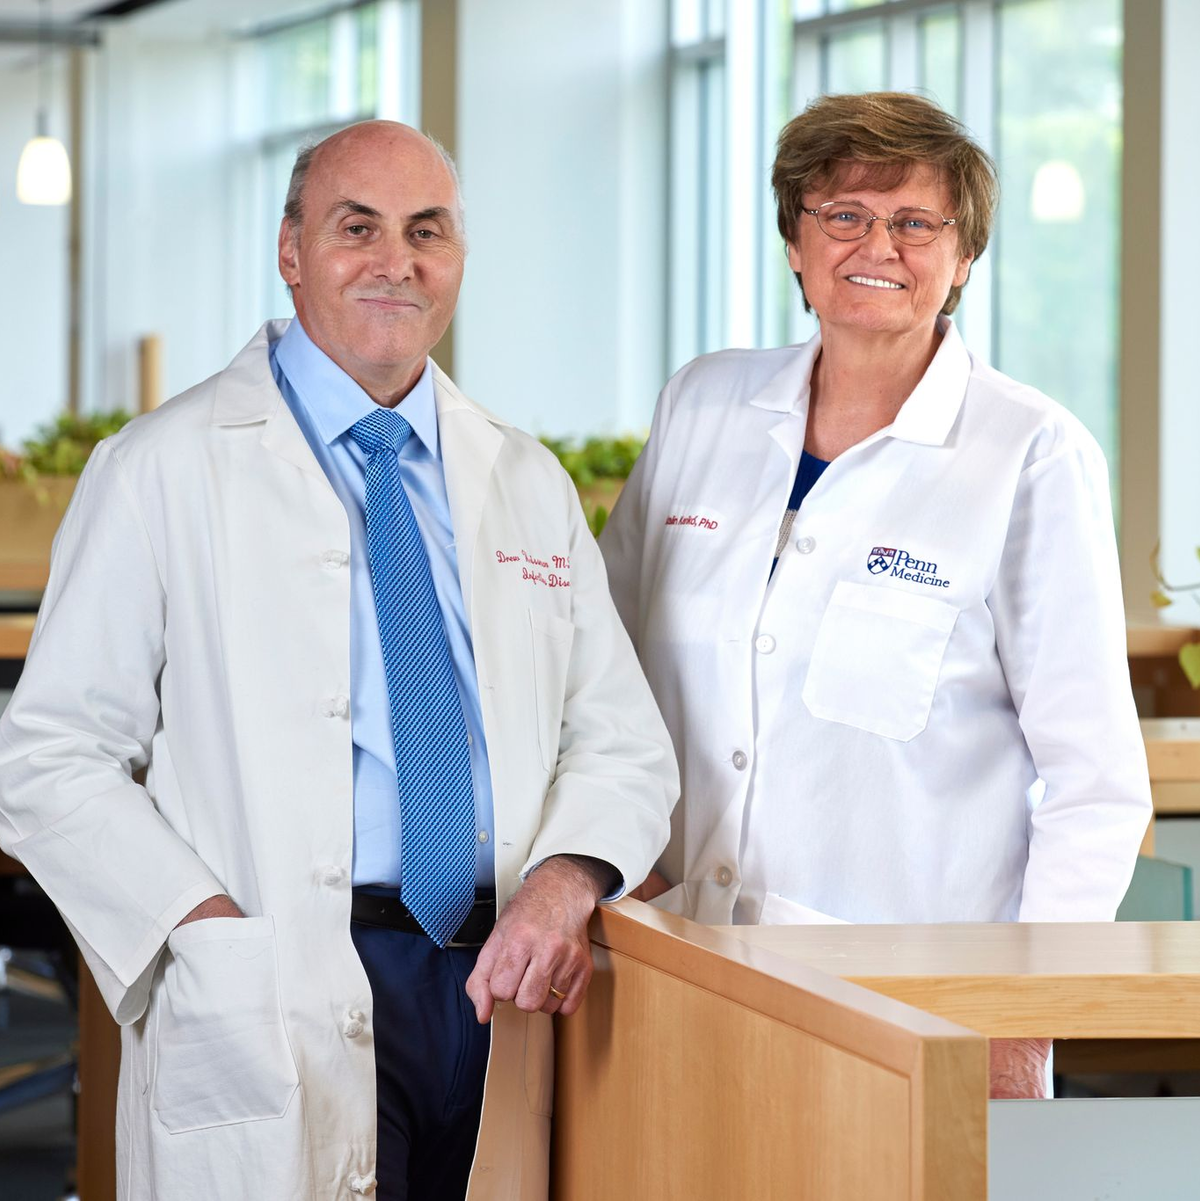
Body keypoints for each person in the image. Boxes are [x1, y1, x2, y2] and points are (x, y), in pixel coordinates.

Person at [0, 121, 677, 1200]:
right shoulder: (162, 468)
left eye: (428, 231)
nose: (396, 262)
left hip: (500, 986)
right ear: (290, 250)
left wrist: (564, 880)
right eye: (356, 227)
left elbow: (620, 739)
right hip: (279, 977)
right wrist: (204, 927)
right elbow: (47, 753)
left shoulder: (526, 478)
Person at [601, 92, 1150, 1098]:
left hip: (908, 1010)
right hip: (669, 964)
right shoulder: (703, 404)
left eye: (915, 222)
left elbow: (1094, 782)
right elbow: (602, 668)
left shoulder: (1029, 452)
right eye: (843, 215)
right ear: (796, 243)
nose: (877, 245)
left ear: (964, 257)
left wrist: (1018, 1018)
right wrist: (609, 865)